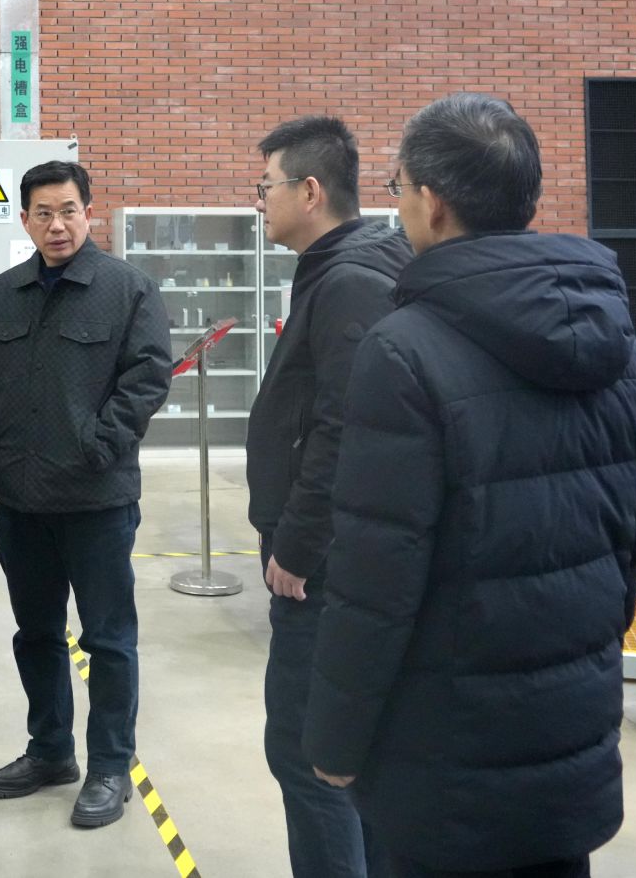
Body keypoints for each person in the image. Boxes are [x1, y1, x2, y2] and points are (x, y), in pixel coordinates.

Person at [304, 94, 636, 878]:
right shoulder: (615, 336)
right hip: (568, 732)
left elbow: (374, 580)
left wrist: (334, 738)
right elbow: (631, 532)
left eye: (398, 188)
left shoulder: (403, 350)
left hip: (445, 754)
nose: (397, 206)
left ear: (432, 202)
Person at [0, 160, 173, 829]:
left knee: (108, 639)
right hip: (21, 499)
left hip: (96, 501)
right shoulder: (5, 291)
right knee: (36, 633)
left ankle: (109, 764)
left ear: (89, 211)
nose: (57, 225)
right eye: (43, 213)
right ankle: (50, 751)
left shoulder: (127, 289)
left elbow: (147, 378)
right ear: (25, 219)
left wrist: (97, 446)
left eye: (68, 211)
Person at [245, 117, 412, 876]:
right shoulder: (344, 269)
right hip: (334, 560)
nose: (259, 202)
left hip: (322, 569)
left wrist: (298, 543)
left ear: (310, 191)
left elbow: (345, 427)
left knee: (308, 755)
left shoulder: (349, 281)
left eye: (266, 187)